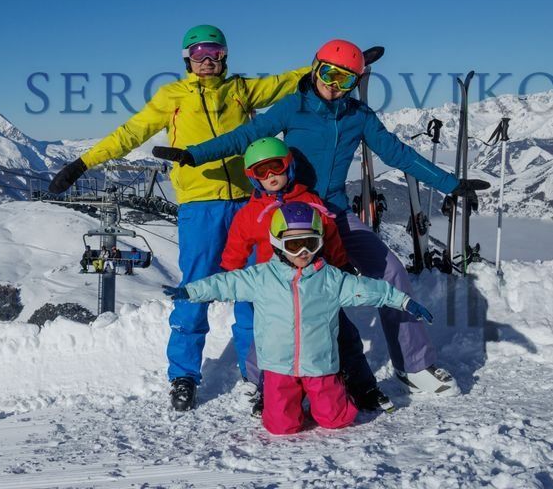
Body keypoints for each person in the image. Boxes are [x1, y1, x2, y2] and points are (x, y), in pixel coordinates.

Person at [154, 39, 488, 395]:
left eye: (344, 80)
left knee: (391, 270)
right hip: (291, 215)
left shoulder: (359, 116)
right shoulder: (291, 108)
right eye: (328, 74)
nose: (333, 85)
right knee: (280, 291)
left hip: (336, 212)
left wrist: (451, 184)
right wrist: (194, 155)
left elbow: (398, 154)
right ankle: (263, 378)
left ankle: (414, 364)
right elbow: (244, 137)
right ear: (314, 68)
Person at [47, 25, 310, 412]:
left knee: (254, 293)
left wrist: (332, 65)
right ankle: (184, 375)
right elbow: (129, 133)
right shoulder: (171, 96)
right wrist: (83, 162)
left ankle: (260, 377)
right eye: (199, 52)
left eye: (215, 52)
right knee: (196, 289)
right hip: (200, 207)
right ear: (186, 58)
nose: (208, 60)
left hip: (250, 203)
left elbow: (287, 81)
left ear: (226, 56)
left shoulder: (241, 89)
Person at [163, 203, 433, 435]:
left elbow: (371, 290)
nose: (303, 251)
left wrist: (404, 301)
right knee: (280, 427)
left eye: (310, 243)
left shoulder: (330, 278)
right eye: (294, 244)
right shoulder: (261, 278)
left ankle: (338, 391)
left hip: (321, 366)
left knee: (337, 420)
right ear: (278, 243)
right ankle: (292, 399)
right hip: (279, 368)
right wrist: (191, 290)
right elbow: (224, 284)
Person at [225, 137, 393, 415]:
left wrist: (341, 266)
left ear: (288, 167)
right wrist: (231, 279)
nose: (270, 176)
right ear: (252, 177)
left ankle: (363, 387)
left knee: (342, 334)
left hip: (317, 287)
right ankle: (269, 393)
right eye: (261, 172)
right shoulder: (250, 214)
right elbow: (235, 249)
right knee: (270, 344)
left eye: (275, 167)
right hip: (277, 294)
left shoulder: (311, 202)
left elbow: (331, 234)